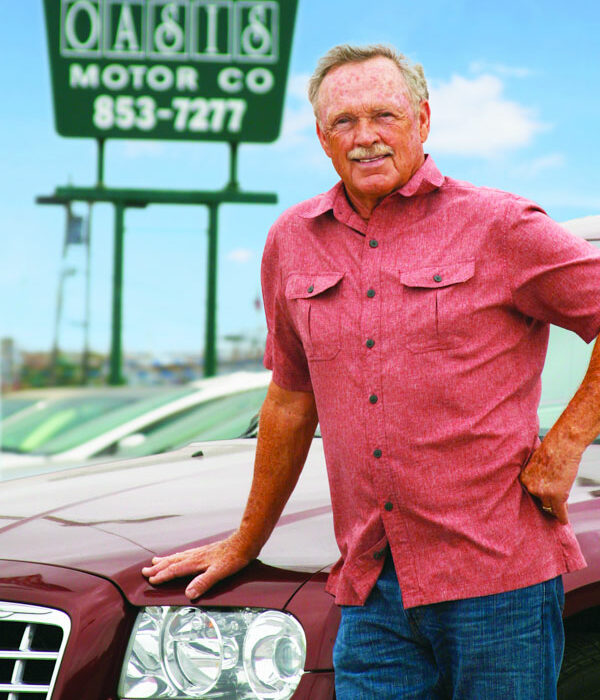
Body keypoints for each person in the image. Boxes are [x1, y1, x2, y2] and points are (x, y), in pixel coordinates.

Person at [142, 44, 600, 698]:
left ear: (422, 119)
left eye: (383, 115)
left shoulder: (501, 224)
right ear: (321, 137)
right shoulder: (291, 240)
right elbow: (290, 400)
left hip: (502, 585)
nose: (365, 138)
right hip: (373, 589)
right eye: (343, 122)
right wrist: (246, 540)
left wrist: (565, 443)